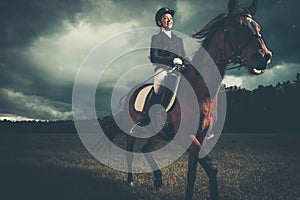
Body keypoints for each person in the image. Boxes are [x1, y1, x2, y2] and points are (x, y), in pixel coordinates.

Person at [138, 7, 189, 126]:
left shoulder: (179, 40)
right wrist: (172, 60)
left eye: (170, 18)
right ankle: (146, 115)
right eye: (165, 18)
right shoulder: (156, 38)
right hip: (162, 70)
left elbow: (184, 57)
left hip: (179, 70)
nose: (169, 20)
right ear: (160, 22)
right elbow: (154, 58)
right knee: (161, 83)